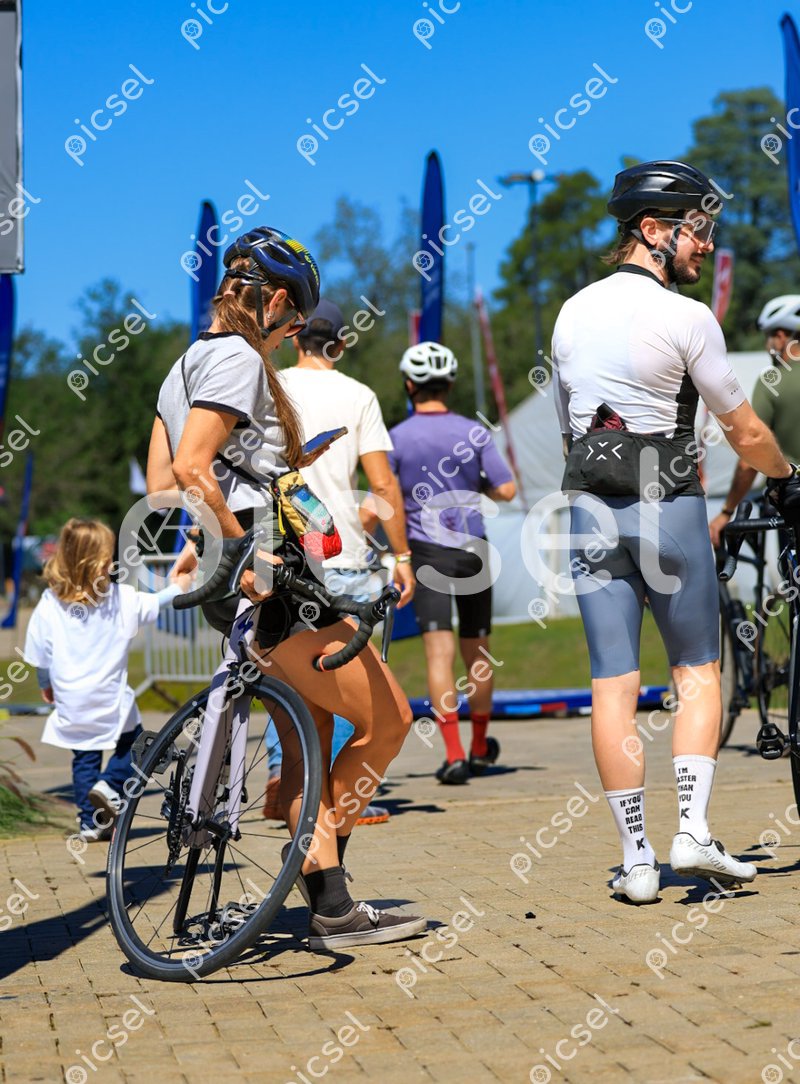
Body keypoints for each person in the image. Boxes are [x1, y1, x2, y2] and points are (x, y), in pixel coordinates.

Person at [146, 226, 425, 950]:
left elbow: (160, 484)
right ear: (272, 302)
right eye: (293, 322)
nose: (291, 334)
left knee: (311, 738)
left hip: (240, 571)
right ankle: (320, 869)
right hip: (270, 570)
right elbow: (192, 467)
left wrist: (230, 520)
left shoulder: (184, 365)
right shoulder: (239, 357)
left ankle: (329, 899)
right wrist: (242, 545)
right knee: (389, 720)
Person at [551, 160, 800, 903]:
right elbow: (744, 429)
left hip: (589, 503)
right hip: (668, 499)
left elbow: (570, 426)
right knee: (696, 667)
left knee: (612, 682)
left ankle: (636, 863)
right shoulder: (686, 316)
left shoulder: (570, 313)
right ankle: (692, 830)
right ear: (654, 230)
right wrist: (786, 475)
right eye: (697, 230)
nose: (707, 245)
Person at [261, 298, 416, 823]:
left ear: (295, 336)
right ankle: (334, 795)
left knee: (290, 673)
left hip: (284, 554)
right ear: (341, 345)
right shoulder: (358, 395)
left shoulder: (272, 386)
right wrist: (401, 554)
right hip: (341, 550)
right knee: (349, 679)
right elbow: (382, 484)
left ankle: (285, 773)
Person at [387, 341, 516, 784]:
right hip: (473, 549)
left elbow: (386, 496)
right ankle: (480, 746)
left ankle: (454, 754)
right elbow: (507, 490)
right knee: (477, 652)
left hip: (427, 553)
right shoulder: (474, 432)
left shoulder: (396, 438)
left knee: (439, 655)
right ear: (451, 384)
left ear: (409, 385)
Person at [22, 518, 188, 841]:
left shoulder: (50, 602)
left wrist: (46, 685)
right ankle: (110, 784)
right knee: (140, 747)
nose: (112, 563)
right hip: (108, 697)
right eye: (108, 556)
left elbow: (40, 652)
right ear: (94, 562)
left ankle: (90, 824)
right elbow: (156, 602)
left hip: (71, 699)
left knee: (84, 758)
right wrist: (180, 585)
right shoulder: (118, 598)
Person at [709, 295, 800, 547]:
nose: (767, 345)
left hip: (793, 501)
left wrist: (726, 511)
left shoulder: (773, 381)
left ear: (780, 337)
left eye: (768, 338)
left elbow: (751, 451)